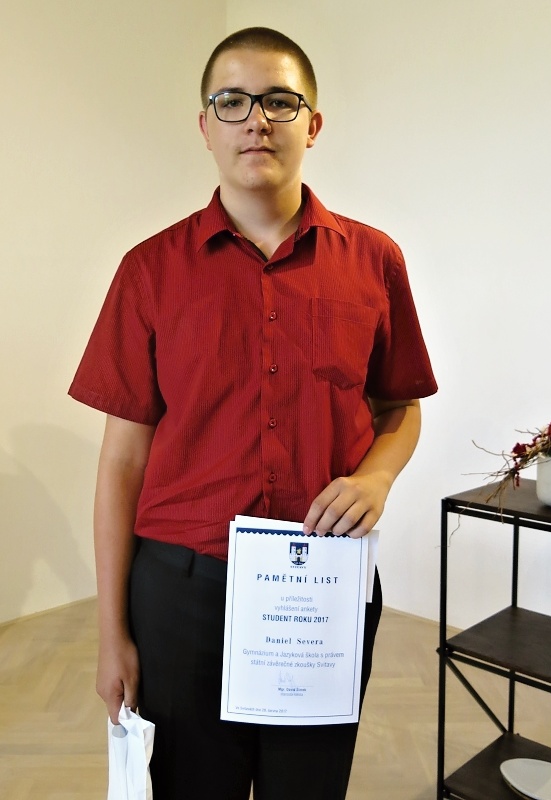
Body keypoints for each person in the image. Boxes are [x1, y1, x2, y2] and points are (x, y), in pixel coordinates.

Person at [69, 26, 437, 800]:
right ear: (205, 126)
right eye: (231, 102)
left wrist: (376, 478)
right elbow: (123, 460)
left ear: (313, 123)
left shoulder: (375, 261)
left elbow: (399, 406)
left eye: (279, 101)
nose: (256, 120)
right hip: (180, 594)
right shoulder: (148, 271)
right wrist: (112, 636)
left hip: (322, 585)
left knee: (310, 786)